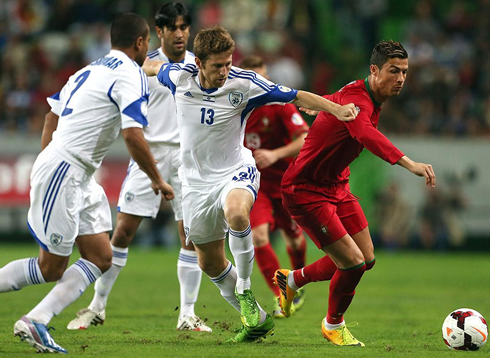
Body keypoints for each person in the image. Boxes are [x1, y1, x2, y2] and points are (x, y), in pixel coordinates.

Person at [143, 26, 358, 342]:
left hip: (236, 169)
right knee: (209, 262)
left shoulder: (243, 83)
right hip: (195, 183)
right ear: (199, 62)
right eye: (218, 65)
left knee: (238, 214)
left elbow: (295, 94)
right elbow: (154, 67)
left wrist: (336, 108)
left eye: (229, 63)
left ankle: (244, 285)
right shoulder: (180, 77)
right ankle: (256, 318)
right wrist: (139, 66)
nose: (225, 71)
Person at [0, 13, 174, 354]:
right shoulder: (130, 75)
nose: (149, 48)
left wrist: (50, 158)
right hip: (65, 171)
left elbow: (52, 114)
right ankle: (35, 320)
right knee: (50, 267)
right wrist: (157, 179)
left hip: (80, 175)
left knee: (100, 256)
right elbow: (132, 134)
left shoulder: (90, 69)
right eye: (148, 43)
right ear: (140, 43)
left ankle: (36, 319)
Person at [274, 40, 436, 347]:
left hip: (336, 184)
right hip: (305, 189)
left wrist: (320, 103)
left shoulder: (362, 94)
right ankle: (333, 324)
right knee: (352, 263)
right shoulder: (359, 99)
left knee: (367, 258)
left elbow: (339, 99)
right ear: (374, 70)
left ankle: (292, 279)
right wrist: (409, 163)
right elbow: (364, 133)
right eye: (394, 71)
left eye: (404, 72)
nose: (401, 78)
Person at [67, 2, 212, 334]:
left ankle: (187, 314)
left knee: (190, 236)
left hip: (188, 160)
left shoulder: (199, 66)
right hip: (151, 155)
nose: (180, 33)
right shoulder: (138, 69)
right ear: (157, 32)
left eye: (184, 27)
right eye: (172, 28)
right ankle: (97, 306)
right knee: (122, 233)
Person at [239, 55, 308, 317]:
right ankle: (282, 293)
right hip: (253, 183)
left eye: (264, 77)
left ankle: (298, 284)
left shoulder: (279, 104)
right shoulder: (234, 106)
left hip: (284, 182)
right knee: (258, 236)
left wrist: (276, 154)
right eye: (255, 78)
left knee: (293, 236)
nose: (262, 83)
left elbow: (305, 137)